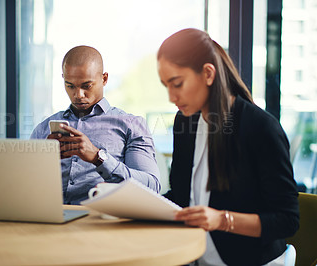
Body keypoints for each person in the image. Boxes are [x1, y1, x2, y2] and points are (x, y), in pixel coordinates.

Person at [157, 28, 299, 265]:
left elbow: (287, 220)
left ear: (208, 74)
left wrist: (221, 220)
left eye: (177, 84)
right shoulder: (185, 121)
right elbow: (182, 197)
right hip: (195, 255)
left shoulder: (261, 128)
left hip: (251, 260)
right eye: (166, 86)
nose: (172, 97)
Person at [31, 45, 160, 204]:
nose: (78, 95)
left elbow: (152, 187)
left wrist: (98, 157)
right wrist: (43, 163)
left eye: (86, 86)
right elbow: (25, 187)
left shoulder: (131, 125)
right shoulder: (43, 129)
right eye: (70, 85)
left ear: (104, 79)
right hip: (51, 219)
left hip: (103, 221)